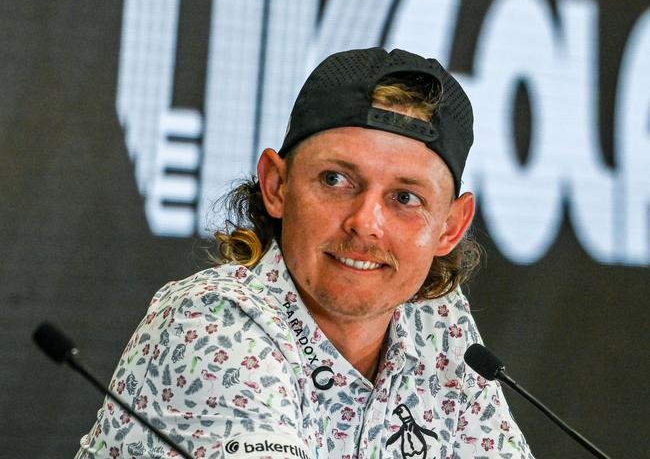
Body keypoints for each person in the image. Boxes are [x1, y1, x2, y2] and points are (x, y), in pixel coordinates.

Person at [76, 48, 534, 458]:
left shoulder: (439, 328)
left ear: (450, 227)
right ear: (277, 185)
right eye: (336, 180)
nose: (365, 222)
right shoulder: (209, 320)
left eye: (405, 198)